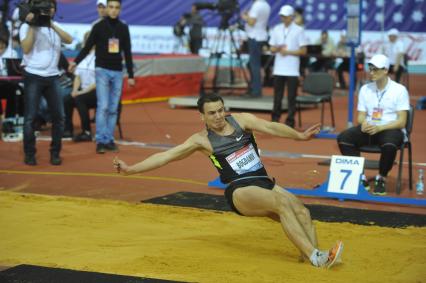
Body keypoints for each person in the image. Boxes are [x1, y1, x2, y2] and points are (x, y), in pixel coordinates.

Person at [113, 94, 344, 269]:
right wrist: (131, 169)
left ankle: (308, 255)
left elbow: (271, 127)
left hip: (263, 182)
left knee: (302, 212)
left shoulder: (241, 121)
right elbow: (165, 156)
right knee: (281, 204)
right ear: (202, 116)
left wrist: (299, 136)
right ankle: (317, 257)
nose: (218, 116)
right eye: (212, 113)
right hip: (240, 190)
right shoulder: (201, 140)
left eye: (220, 110)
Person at [337, 54, 409, 195]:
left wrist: (380, 127)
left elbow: (402, 121)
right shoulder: (365, 89)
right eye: (370, 69)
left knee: (390, 145)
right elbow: (361, 116)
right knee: (344, 138)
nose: (371, 73)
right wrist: (363, 124)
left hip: (390, 128)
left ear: (385, 70)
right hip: (370, 127)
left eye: (375, 70)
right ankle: (360, 176)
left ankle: (381, 178)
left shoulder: (399, 90)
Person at [69, 0, 135, 154]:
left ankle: (109, 139)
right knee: (103, 106)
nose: (113, 10)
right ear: (106, 9)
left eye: (117, 7)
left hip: (118, 71)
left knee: (113, 108)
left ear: (120, 9)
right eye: (110, 7)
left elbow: (128, 52)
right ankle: (100, 140)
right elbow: (87, 46)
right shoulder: (98, 26)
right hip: (102, 70)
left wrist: (131, 75)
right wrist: (75, 62)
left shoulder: (124, 28)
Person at [19, 0, 73, 165]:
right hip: (33, 75)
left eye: (51, 8)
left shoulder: (53, 26)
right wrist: (34, 24)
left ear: (54, 10)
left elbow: (69, 40)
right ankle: (29, 153)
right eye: (45, 7)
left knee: (60, 117)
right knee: (30, 118)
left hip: (53, 77)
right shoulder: (26, 26)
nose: (48, 10)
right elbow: (26, 48)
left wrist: (50, 24)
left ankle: (55, 153)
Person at [269, 5, 307, 128]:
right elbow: (272, 48)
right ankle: (275, 119)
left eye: (285, 16)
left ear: (291, 17)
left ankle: (290, 121)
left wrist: (288, 52)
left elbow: (303, 51)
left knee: (291, 97)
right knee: (277, 96)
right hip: (278, 68)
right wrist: (278, 48)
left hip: (292, 70)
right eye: (282, 16)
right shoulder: (276, 29)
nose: (283, 18)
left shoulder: (299, 30)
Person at [68, 31, 96, 142]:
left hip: (97, 91)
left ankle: (87, 131)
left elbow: (99, 81)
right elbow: (77, 77)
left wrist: (81, 92)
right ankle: (67, 128)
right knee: (67, 99)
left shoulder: (101, 56)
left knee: (80, 99)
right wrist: (75, 90)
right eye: (86, 39)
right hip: (83, 91)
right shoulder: (83, 57)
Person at [241, 0, 271, 98]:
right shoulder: (266, 5)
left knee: (254, 65)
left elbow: (251, 22)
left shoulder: (256, 5)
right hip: (261, 36)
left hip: (254, 37)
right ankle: (254, 88)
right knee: (252, 64)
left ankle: (256, 91)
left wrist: (244, 16)